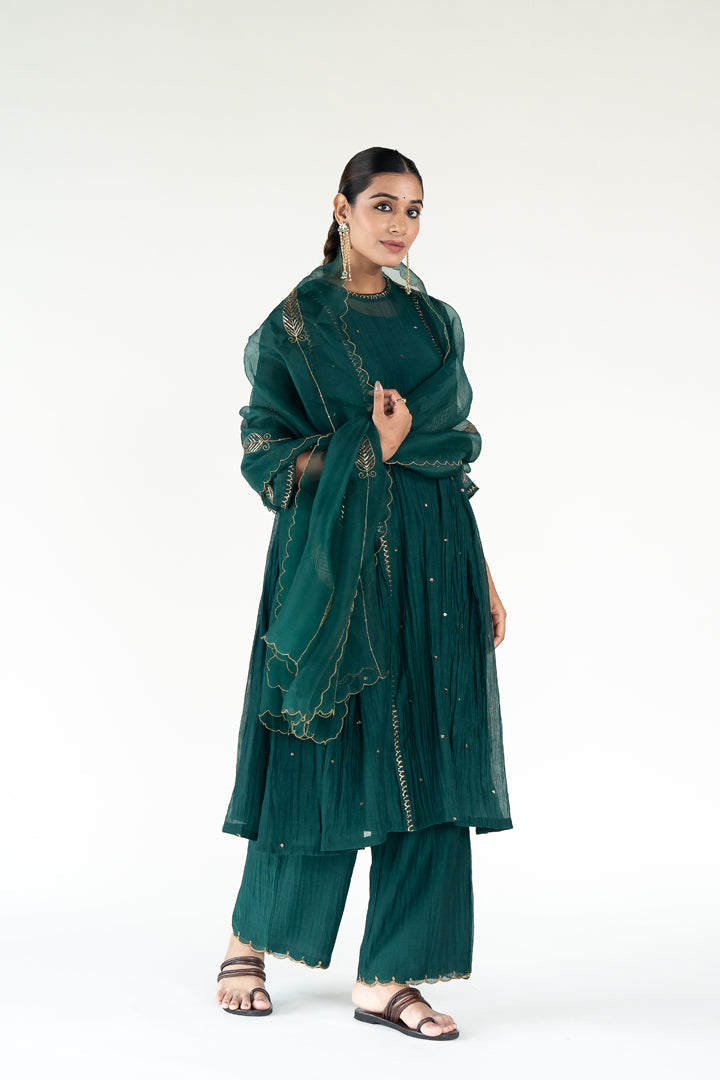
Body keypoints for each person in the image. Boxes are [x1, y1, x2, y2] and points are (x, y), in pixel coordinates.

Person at [215, 147, 513, 1041]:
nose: (400, 225)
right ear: (341, 209)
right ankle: (251, 936)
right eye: (383, 205)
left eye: (414, 210)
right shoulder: (297, 326)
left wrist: (483, 573)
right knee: (323, 746)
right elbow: (264, 455)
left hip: (436, 557)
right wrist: (366, 451)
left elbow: (451, 457)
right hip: (335, 563)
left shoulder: (436, 323)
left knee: (432, 752)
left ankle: (390, 976)